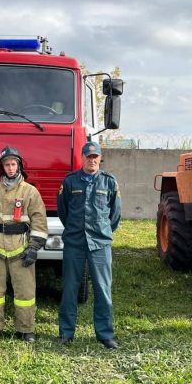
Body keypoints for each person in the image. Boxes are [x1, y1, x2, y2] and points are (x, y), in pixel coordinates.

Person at [0, 147, 48, 343]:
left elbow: (39, 222)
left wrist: (33, 248)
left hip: (21, 248)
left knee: (25, 291)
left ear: (19, 166)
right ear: (2, 167)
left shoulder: (30, 192)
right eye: (7, 164)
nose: (11, 168)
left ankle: (26, 330)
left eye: (14, 164)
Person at [57, 141, 121, 349]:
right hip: (75, 242)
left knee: (103, 289)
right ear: (82, 158)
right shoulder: (70, 181)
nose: (92, 160)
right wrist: (76, 230)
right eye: (88, 157)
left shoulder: (109, 182)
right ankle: (66, 332)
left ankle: (105, 334)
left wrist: (102, 232)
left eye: (95, 157)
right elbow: (63, 211)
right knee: (70, 288)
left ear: (100, 159)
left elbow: (115, 215)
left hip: (100, 243)